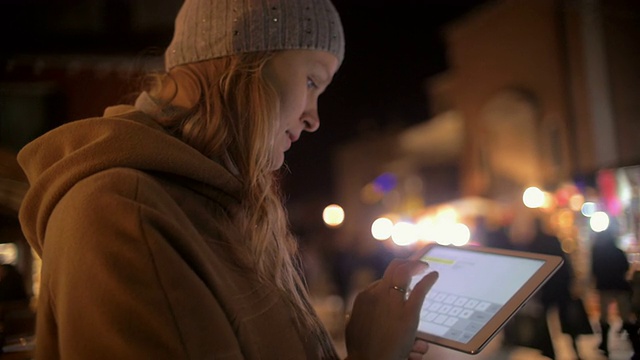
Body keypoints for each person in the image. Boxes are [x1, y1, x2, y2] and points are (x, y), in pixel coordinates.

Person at [16, 0, 439, 359]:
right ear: (241, 60)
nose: (313, 118)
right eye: (311, 81)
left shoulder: (209, 205)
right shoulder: (121, 210)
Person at [591, 218, 640, 359]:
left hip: (605, 286)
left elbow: (594, 269)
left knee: (604, 317)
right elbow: (625, 267)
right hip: (619, 286)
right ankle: (636, 346)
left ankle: (604, 344)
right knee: (625, 317)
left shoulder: (597, 251)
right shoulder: (617, 251)